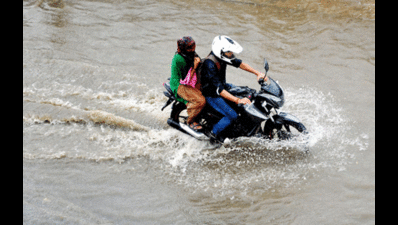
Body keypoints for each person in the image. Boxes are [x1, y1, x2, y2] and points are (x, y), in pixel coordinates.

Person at [201, 35, 267, 143]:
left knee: (249, 92)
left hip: (222, 86)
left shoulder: (222, 57)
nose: (231, 54)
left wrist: (258, 73)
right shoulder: (210, 64)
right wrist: (238, 100)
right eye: (229, 52)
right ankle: (213, 134)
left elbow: (240, 64)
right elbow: (220, 90)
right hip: (212, 94)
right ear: (220, 51)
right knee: (232, 115)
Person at [170, 36, 206, 131]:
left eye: (193, 46)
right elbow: (186, 79)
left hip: (190, 80)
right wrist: (195, 67)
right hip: (179, 84)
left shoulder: (190, 54)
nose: (193, 48)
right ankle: (190, 121)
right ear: (184, 48)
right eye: (190, 47)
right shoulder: (180, 59)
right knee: (200, 100)